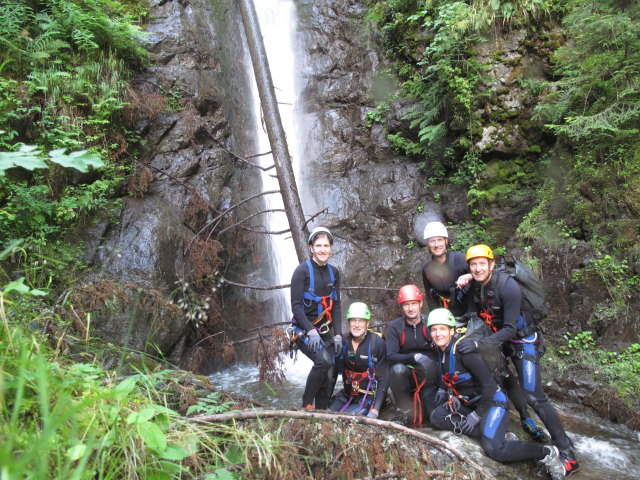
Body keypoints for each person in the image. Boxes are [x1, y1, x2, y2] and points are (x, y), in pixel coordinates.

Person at [458, 244, 579, 476]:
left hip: (523, 342)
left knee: (535, 396)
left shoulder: (508, 287)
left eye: (482, 263)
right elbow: (473, 316)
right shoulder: (477, 286)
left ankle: (567, 453)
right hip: (500, 340)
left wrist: (480, 344)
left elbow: (511, 328)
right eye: (473, 264)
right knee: (502, 376)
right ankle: (524, 421)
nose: (478, 268)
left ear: (492, 264)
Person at [427, 308, 567, 480]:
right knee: (436, 417)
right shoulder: (440, 351)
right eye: (433, 329)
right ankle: (498, 434)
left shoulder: (465, 351)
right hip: (469, 403)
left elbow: (490, 386)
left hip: (493, 401)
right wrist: (451, 395)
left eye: (442, 329)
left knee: (494, 450)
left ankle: (546, 452)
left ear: (451, 330)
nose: (437, 334)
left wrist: (476, 415)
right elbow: (452, 377)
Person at [290, 227, 342, 409]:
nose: (322, 250)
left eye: (326, 246)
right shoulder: (301, 271)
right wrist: (310, 331)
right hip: (303, 330)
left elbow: (336, 304)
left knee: (334, 366)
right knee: (323, 361)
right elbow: (296, 306)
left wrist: (338, 334)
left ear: (331, 248)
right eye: (318, 245)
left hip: (326, 331)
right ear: (311, 247)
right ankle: (306, 405)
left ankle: (323, 409)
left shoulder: (334, 273)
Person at [385, 285, 438, 426]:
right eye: (406, 305)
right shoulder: (395, 327)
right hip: (407, 373)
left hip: (430, 374)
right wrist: (415, 357)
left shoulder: (431, 323)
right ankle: (404, 410)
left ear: (421, 304)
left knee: (432, 418)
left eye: (414, 303)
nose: (411, 308)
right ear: (401, 307)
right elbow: (391, 356)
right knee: (396, 370)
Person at [330, 302, 388, 418]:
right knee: (326, 414)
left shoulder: (377, 344)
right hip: (346, 394)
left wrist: (375, 409)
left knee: (346, 419)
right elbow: (333, 374)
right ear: (348, 323)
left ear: (367, 323)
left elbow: (384, 379)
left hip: (367, 397)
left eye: (361, 321)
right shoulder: (343, 342)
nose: (356, 325)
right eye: (353, 320)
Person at [421, 221, 471, 319]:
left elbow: (486, 275)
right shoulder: (427, 270)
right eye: (432, 241)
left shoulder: (461, 259)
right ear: (428, 244)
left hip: (469, 316)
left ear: (446, 241)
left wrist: (471, 275)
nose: (436, 244)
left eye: (440, 240)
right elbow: (430, 299)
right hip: (446, 320)